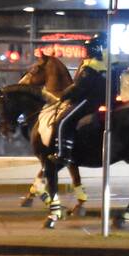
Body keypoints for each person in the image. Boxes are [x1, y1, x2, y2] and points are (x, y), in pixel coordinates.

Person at [49, 34, 108, 163]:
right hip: (102, 98)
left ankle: (63, 154)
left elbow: (79, 86)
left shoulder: (92, 65)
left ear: (95, 48)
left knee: (63, 120)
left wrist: (64, 95)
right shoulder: (110, 62)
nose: (86, 52)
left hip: (88, 100)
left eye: (88, 48)